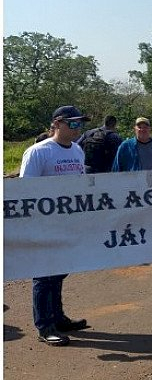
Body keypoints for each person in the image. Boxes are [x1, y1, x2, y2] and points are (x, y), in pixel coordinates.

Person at [20, 106, 92, 346]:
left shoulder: (77, 151)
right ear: (58, 123)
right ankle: (44, 325)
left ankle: (58, 317)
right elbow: (25, 192)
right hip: (44, 225)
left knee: (60, 270)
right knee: (44, 275)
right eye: (73, 124)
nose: (77, 128)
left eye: (79, 124)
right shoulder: (38, 152)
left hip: (68, 223)